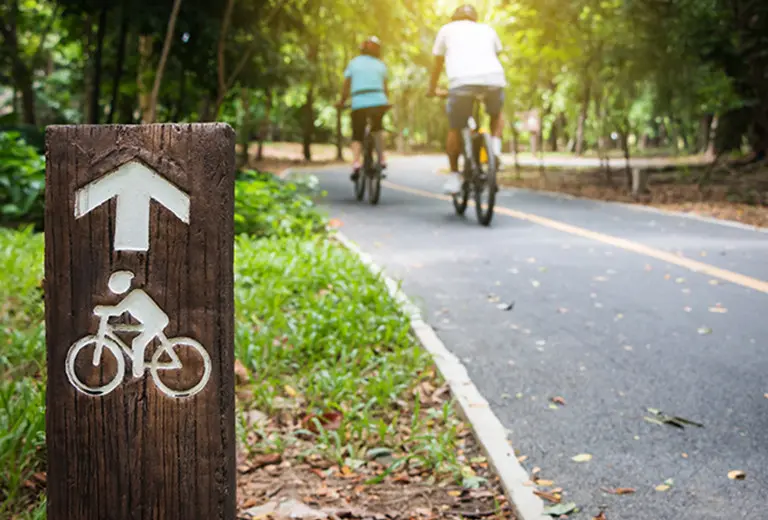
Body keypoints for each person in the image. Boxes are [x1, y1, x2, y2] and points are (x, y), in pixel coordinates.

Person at [428, 4, 506, 194]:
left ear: (454, 17)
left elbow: (438, 64)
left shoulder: (446, 30)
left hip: (461, 83)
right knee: (496, 114)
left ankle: (454, 176)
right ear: (474, 18)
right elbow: (495, 53)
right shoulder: (487, 29)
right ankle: (495, 150)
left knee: (455, 127)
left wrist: (432, 89)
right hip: (493, 80)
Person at [94, 270, 168, 377]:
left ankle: (138, 371)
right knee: (133, 335)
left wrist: (102, 309)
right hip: (150, 322)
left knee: (138, 343)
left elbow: (118, 310)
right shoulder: (132, 295)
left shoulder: (135, 295)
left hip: (156, 322)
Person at [336, 36, 390, 181]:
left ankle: (356, 162)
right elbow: (385, 87)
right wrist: (387, 101)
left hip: (358, 102)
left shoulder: (353, 63)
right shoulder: (381, 64)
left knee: (357, 134)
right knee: (378, 129)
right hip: (378, 101)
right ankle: (381, 158)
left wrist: (342, 101)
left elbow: (346, 85)